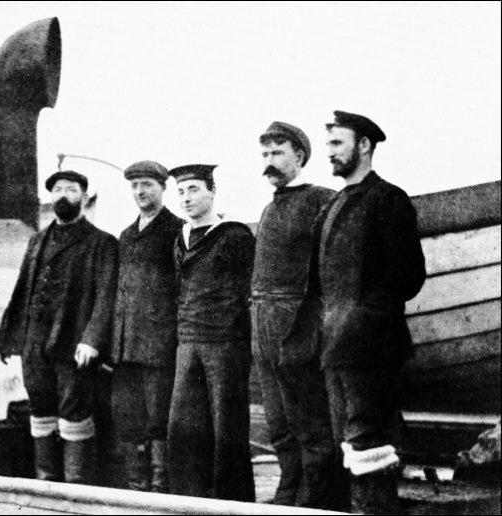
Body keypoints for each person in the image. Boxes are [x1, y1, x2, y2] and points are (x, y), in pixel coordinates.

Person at [283, 111, 426, 514]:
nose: (329, 152)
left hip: (369, 349)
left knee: (368, 443)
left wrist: (359, 319)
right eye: (327, 144)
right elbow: (319, 287)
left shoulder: (387, 199)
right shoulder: (333, 206)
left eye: (337, 143)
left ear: (363, 145)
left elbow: (408, 275)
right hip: (334, 348)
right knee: (345, 443)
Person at [0, 170, 118, 484]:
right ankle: (46, 488)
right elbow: (22, 290)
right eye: (58, 189)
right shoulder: (38, 240)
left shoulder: (101, 243)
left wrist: (92, 340)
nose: (63, 195)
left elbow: (107, 297)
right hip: (35, 345)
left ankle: (76, 491)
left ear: (84, 198)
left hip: (74, 347)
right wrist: (8, 340)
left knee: (74, 413)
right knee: (40, 411)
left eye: (71, 189)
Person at [251, 121, 338, 508]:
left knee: (309, 418)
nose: (269, 161)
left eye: (278, 152)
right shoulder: (270, 208)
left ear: (299, 156)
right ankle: (289, 488)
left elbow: (334, 267)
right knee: (278, 420)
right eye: (265, 153)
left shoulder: (322, 199)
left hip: (298, 322)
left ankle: (316, 498)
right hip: (263, 322)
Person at [166, 164, 256, 502]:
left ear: (212, 191)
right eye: (181, 192)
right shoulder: (181, 238)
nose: (186, 198)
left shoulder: (234, 235)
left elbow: (248, 291)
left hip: (225, 345)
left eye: (194, 189)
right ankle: (189, 503)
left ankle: (233, 505)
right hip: (188, 343)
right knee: (183, 428)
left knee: (226, 429)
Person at [111, 160, 184, 493]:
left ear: (163, 188)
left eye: (147, 185)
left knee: (159, 417)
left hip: (159, 342)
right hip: (126, 345)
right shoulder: (126, 235)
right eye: (135, 186)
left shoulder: (176, 230)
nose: (140, 192)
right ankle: (137, 483)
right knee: (129, 417)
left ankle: (160, 483)